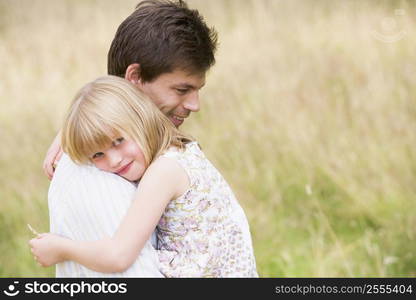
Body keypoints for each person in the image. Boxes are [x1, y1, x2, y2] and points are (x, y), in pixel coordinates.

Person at [43, 0, 218, 277]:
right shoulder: (95, 175)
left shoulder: (166, 160)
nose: (195, 104)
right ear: (134, 77)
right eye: (181, 89)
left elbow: (119, 257)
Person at [30, 76, 258, 277]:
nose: (114, 160)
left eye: (118, 141)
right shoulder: (181, 151)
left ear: (140, 118)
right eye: (98, 154)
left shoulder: (163, 172)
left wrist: (61, 249)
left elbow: (119, 256)